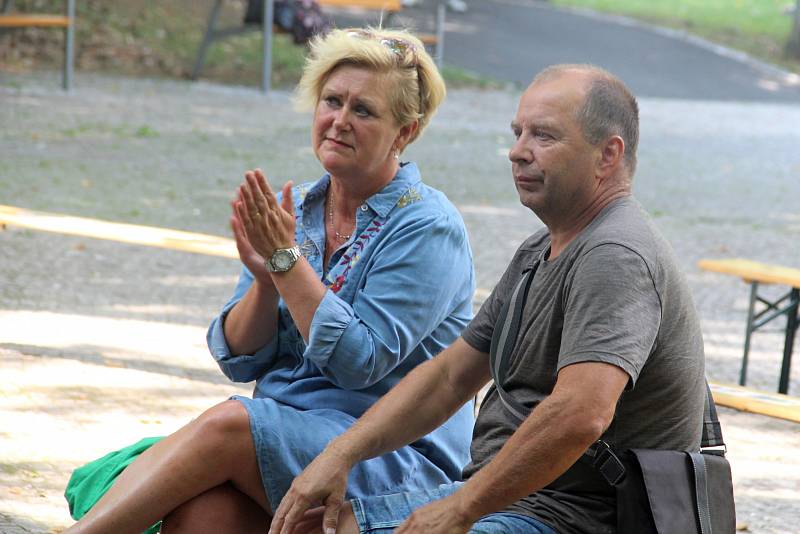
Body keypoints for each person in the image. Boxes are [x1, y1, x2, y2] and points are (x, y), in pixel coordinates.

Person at [64, 27, 476, 533]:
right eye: (331, 101)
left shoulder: (427, 226)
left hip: (382, 457)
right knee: (203, 511)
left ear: (405, 132)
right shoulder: (299, 206)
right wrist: (263, 282)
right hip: (283, 438)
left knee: (231, 424)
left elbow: (359, 361)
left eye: (363, 110)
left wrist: (286, 263)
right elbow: (239, 358)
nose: (339, 121)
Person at [270, 64, 707, 534]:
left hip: (574, 517)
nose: (518, 152)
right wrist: (341, 454)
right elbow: (450, 376)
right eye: (518, 133)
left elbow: (581, 414)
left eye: (544, 136)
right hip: (514, 501)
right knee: (312, 527)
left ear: (608, 155)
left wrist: (461, 511)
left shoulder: (615, 254)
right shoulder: (542, 249)